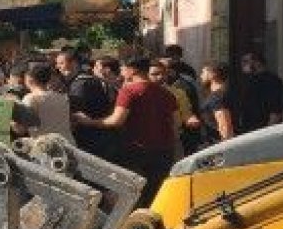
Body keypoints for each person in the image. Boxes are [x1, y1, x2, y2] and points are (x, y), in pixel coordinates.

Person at [74, 58, 178, 202]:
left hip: (137, 150)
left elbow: (117, 120)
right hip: (165, 150)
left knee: (133, 194)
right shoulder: (167, 93)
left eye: (123, 69)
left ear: (132, 70)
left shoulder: (129, 90)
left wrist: (89, 121)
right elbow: (175, 123)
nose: (121, 72)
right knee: (157, 194)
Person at [66, 58, 119, 161]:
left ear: (106, 69)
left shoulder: (84, 83)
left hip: (95, 137)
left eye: (96, 66)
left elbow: (76, 110)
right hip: (98, 135)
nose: (93, 69)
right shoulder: (85, 83)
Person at [22, 63, 73, 141]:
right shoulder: (63, 97)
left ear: (29, 79)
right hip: (67, 144)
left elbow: (20, 129)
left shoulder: (31, 98)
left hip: (46, 147)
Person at [238, 52, 283, 133]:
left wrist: (268, 132)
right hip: (248, 131)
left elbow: (275, 110)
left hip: (262, 131)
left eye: (246, 61)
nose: (242, 64)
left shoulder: (271, 81)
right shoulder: (250, 81)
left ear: (257, 62)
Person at [199, 63, 236, 144]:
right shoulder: (223, 94)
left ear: (213, 74)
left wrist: (225, 150)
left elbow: (225, 127)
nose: (201, 76)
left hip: (219, 146)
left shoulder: (217, 97)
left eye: (203, 72)